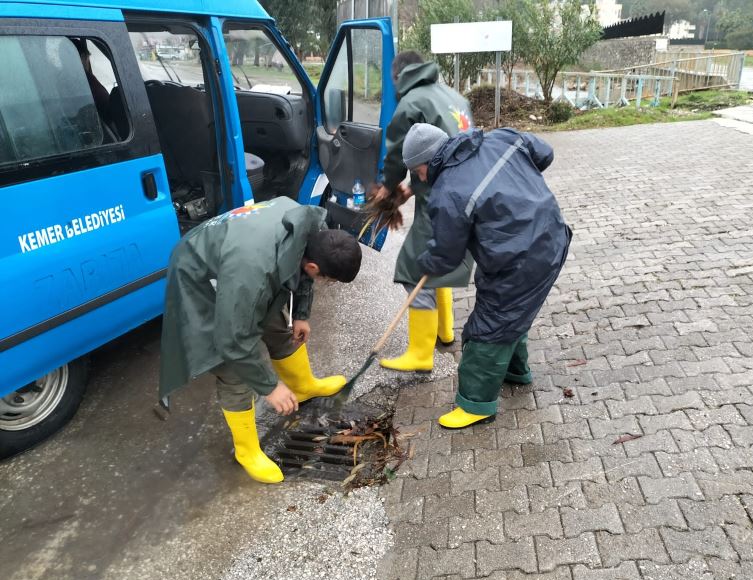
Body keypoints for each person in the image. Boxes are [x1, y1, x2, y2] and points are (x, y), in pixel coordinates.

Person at [159, 197, 362, 483]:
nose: (325, 284)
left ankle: (303, 387)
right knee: (233, 368)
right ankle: (247, 451)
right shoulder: (253, 271)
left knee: (279, 324)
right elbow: (234, 340)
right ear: (316, 268)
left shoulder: (315, 229)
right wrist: (270, 387)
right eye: (329, 280)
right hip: (199, 275)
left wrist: (301, 314)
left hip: (240, 258)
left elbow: (302, 270)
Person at [402, 124, 572, 429]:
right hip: (553, 236)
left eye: (418, 171)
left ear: (428, 162)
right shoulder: (503, 138)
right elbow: (544, 153)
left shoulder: (448, 192)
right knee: (512, 311)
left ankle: (476, 404)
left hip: (520, 259)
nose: (420, 178)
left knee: (487, 326)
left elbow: (446, 254)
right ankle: (515, 372)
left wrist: (426, 263)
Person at [373, 51, 474, 373]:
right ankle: (444, 331)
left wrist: (388, 189)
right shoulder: (453, 96)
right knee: (439, 256)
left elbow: (397, 156)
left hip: (440, 199)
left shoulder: (411, 103)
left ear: (398, 76)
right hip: (464, 191)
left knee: (416, 266)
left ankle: (420, 354)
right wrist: (413, 189)